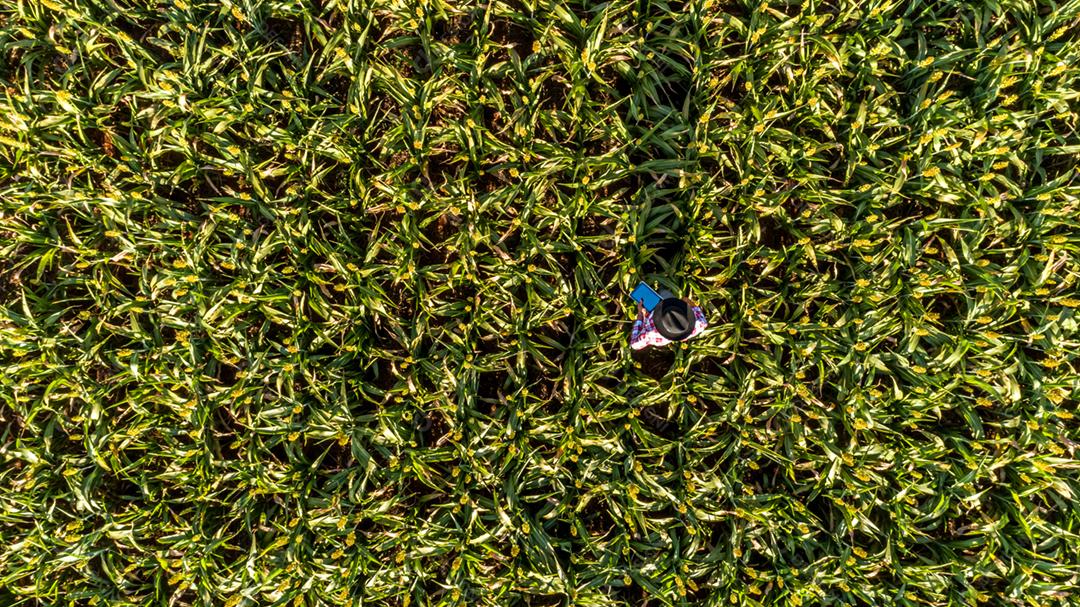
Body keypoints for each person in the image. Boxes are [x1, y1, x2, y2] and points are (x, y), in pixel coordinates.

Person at [631, 294, 707, 350]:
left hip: (653, 309)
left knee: (663, 292)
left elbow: (634, 344)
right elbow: (634, 345)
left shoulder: (650, 332)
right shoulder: (700, 323)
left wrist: (640, 315)